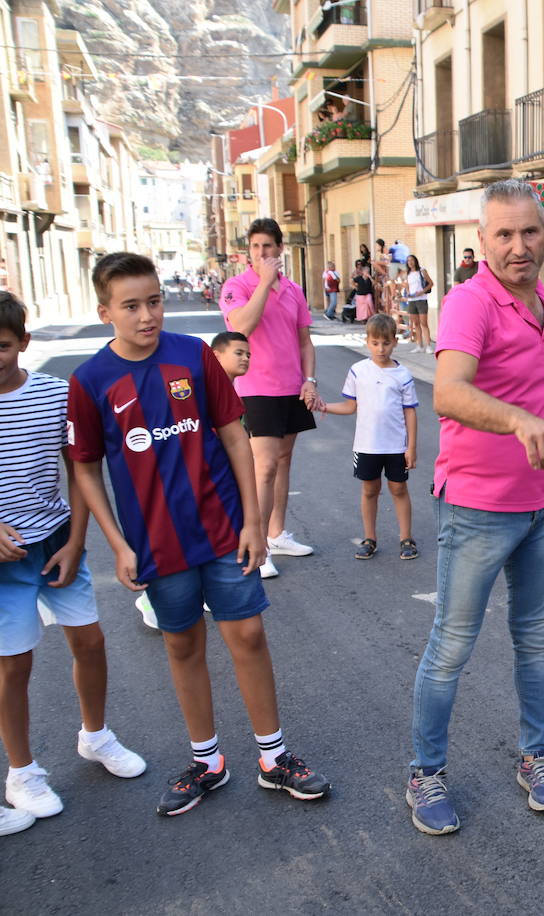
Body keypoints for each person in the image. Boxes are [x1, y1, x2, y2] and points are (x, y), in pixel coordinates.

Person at [68, 252, 330, 818]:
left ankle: (273, 757)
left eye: (155, 301)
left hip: (222, 531)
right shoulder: (90, 380)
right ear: (104, 310)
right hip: (157, 544)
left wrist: (254, 521)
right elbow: (85, 468)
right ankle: (207, 762)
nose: (147, 315)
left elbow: (234, 436)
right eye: (131, 306)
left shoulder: (192, 356)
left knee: (249, 636)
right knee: (182, 643)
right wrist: (117, 543)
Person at [405, 179, 544, 837]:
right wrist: (518, 423)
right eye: (504, 235)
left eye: (529, 232)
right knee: (452, 646)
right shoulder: (469, 305)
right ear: (482, 240)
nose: (519, 246)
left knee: (537, 638)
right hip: (476, 507)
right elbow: (450, 394)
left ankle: (536, 756)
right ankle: (425, 771)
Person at [0, 292, 146, 837]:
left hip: (58, 541)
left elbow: (81, 469)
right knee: (13, 665)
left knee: (89, 642)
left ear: (24, 344)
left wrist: (77, 541)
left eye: (4, 345)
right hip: (4, 559)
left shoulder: (52, 395)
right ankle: (22, 773)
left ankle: (96, 735)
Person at [219, 218, 321, 579]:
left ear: (280, 249)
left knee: (283, 462)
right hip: (255, 388)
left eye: (268, 246)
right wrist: (263, 283)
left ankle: (276, 534)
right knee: (263, 468)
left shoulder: (293, 290)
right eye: (256, 246)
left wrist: (309, 380)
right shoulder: (237, 286)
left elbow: (305, 341)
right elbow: (240, 327)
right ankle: (256, 544)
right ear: (250, 251)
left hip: (291, 387)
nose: (262, 253)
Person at [133, 330, 255, 630]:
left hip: (221, 486)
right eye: (238, 353)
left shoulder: (231, 392)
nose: (245, 359)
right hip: (189, 489)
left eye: (248, 354)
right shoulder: (196, 390)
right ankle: (151, 600)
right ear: (214, 356)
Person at [317, 314, 419, 561]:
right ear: (367, 342)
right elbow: (350, 406)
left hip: (396, 445)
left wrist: (411, 447)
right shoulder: (358, 371)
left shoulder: (403, 375)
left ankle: (406, 538)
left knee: (398, 488)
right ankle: (369, 538)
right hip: (367, 445)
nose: (380, 349)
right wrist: (324, 407)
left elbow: (410, 412)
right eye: (375, 343)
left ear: (394, 342)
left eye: (385, 343)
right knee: (370, 489)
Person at [402, 255, 435, 353]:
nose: (410, 262)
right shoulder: (408, 273)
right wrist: (407, 292)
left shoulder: (422, 271)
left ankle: (428, 346)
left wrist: (422, 292)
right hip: (412, 301)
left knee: (423, 323)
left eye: (412, 260)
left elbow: (431, 283)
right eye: (408, 261)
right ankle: (419, 345)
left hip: (422, 300)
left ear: (415, 261)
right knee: (416, 323)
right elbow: (407, 285)